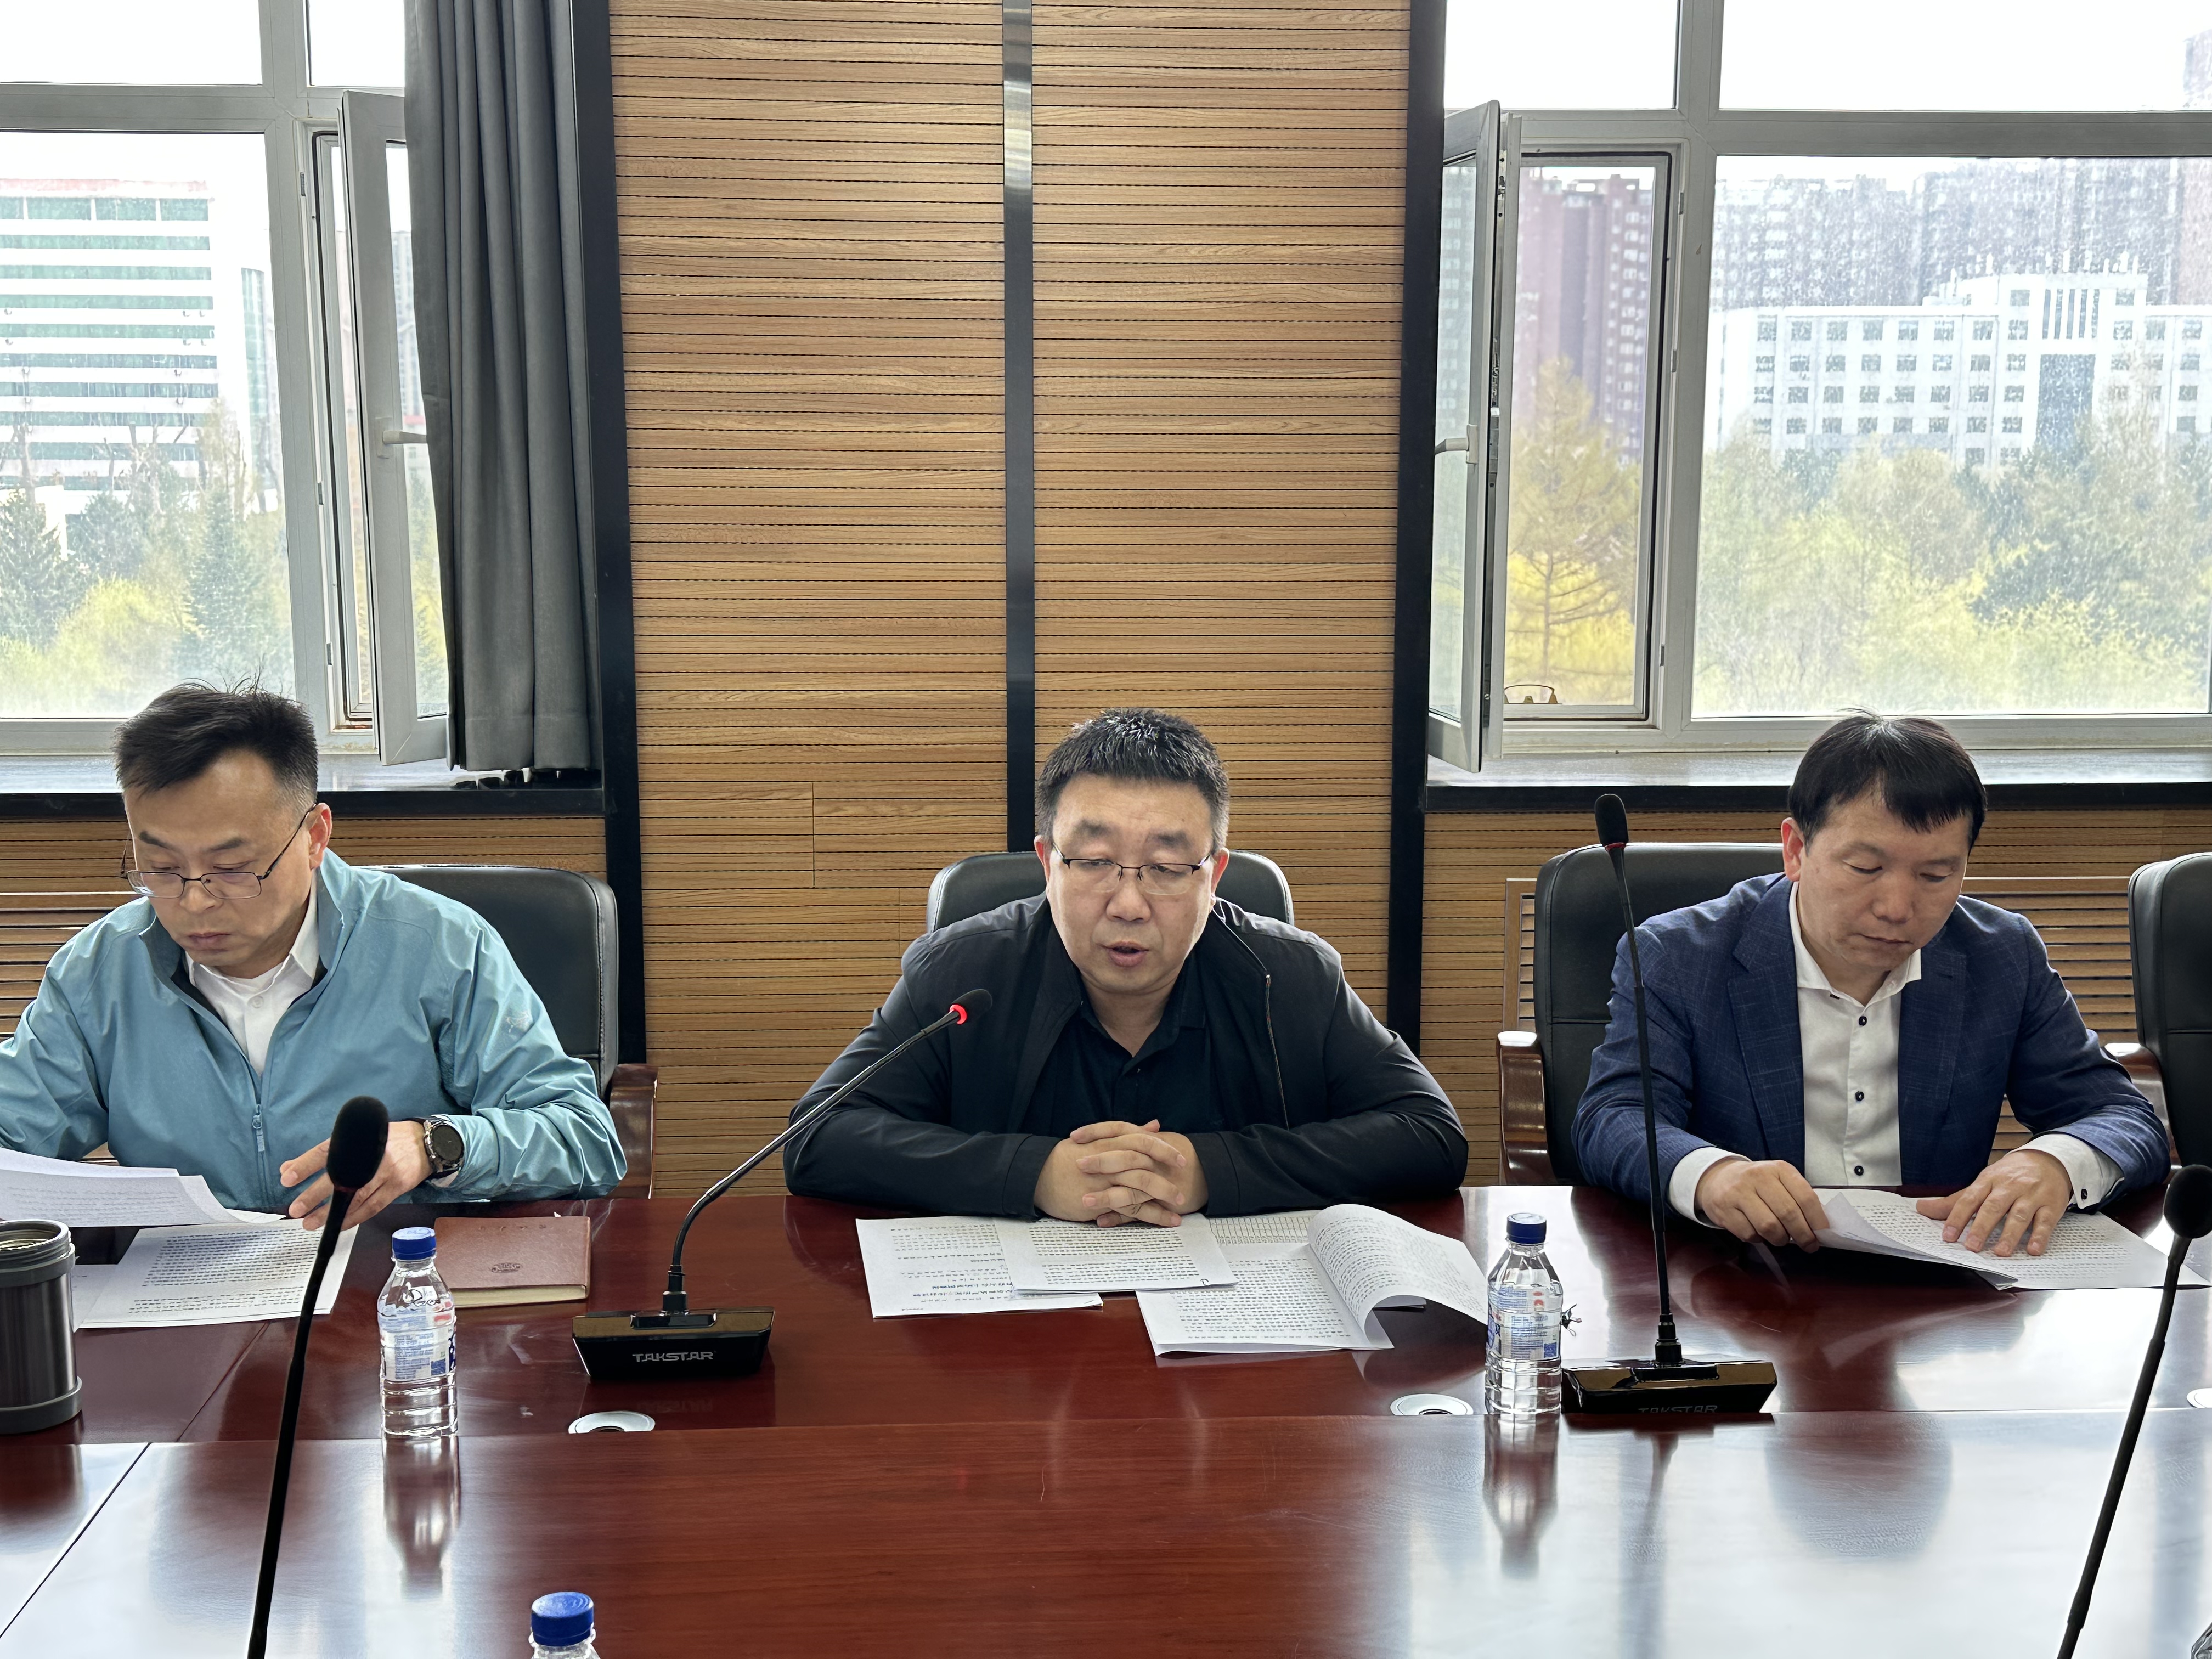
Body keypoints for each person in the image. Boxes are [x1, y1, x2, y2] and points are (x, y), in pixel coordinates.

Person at [784, 708, 1466, 1223]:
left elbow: (1431, 1136)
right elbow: (817, 1137)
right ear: (1048, 863)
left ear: (1213, 876)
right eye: (1094, 862)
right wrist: (1032, 1174)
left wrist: (1209, 1169)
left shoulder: (1287, 977)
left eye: (1167, 868)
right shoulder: (964, 972)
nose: (1129, 904)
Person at [0, 684, 625, 1228]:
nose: (194, 902)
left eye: (233, 869)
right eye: (161, 869)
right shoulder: (98, 973)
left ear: (315, 837)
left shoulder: (439, 946)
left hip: (398, 1291)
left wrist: (434, 1146)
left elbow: (584, 1139)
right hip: (186, 1299)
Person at [1573, 713, 2168, 1259]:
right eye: (1866, 868)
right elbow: (1614, 1117)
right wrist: (1712, 1174)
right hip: (1738, 1276)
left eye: (1936, 874)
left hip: (1935, 1282)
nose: (1897, 907)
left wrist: (2054, 1163)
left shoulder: (1999, 954)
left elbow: (2120, 1114)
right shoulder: (1678, 955)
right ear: (1796, 850)